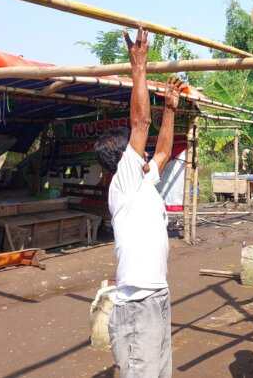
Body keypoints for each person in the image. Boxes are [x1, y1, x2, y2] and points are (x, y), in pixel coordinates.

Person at [94, 28, 187, 378]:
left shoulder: (144, 179)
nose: (145, 151)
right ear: (124, 159)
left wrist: (170, 109)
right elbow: (140, 122)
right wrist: (140, 67)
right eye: (137, 149)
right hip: (136, 303)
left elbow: (163, 150)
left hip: (157, 297)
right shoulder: (125, 182)